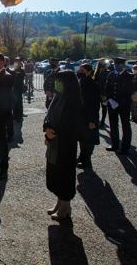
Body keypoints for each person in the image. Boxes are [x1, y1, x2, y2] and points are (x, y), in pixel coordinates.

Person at [43, 70, 82, 221]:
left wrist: (53, 134)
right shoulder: (58, 97)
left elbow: (70, 124)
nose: (56, 84)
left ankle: (66, 206)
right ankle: (59, 202)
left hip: (66, 143)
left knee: (64, 173)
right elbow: (49, 116)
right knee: (54, 172)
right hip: (54, 142)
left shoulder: (74, 100)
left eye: (59, 81)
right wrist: (47, 129)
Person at [105, 57, 133, 154]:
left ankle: (125, 147)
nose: (116, 67)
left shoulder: (129, 76)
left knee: (125, 126)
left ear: (123, 65)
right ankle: (115, 144)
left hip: (124, 105)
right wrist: (110, 100)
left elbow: (129, 92)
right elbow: (107, 88)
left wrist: (119, 103)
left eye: (119, 65)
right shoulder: (111, 74)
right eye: (115, 65)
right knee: (113, 125)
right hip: (112, 104)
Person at [77, 64, 99, 170]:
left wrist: (92, 120)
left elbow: (94, 104)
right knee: (82, 139)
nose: (80, 71)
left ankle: (87, 161)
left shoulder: (92, 84)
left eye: (82, 70)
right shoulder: (81, 82)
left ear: (89, 72)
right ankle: (82, 157)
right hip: (81, 116)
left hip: (89, 117)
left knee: (89, 140)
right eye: (79, 69)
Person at [94, 59, 110, 127]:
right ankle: (97, 120)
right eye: (101, 66)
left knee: (104, 108)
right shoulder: (96, 72)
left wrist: (104, 94)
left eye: (104, 66)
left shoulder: (108, 73)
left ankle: (102, 121)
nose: (103, 67)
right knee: (96, 108)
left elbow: (107, 84)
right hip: (96, 93)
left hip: (104, 94)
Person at [11, 58, 25, 123]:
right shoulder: (14, 70)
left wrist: (16, 71)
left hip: (19, 89)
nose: (16, 63)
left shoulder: (22, 70)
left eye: (18, 62)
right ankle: (14, 116)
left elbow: (20, 78)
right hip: (14, 89)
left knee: (19, 103)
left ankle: (19, 117)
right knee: (14, 103)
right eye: (16, 61)